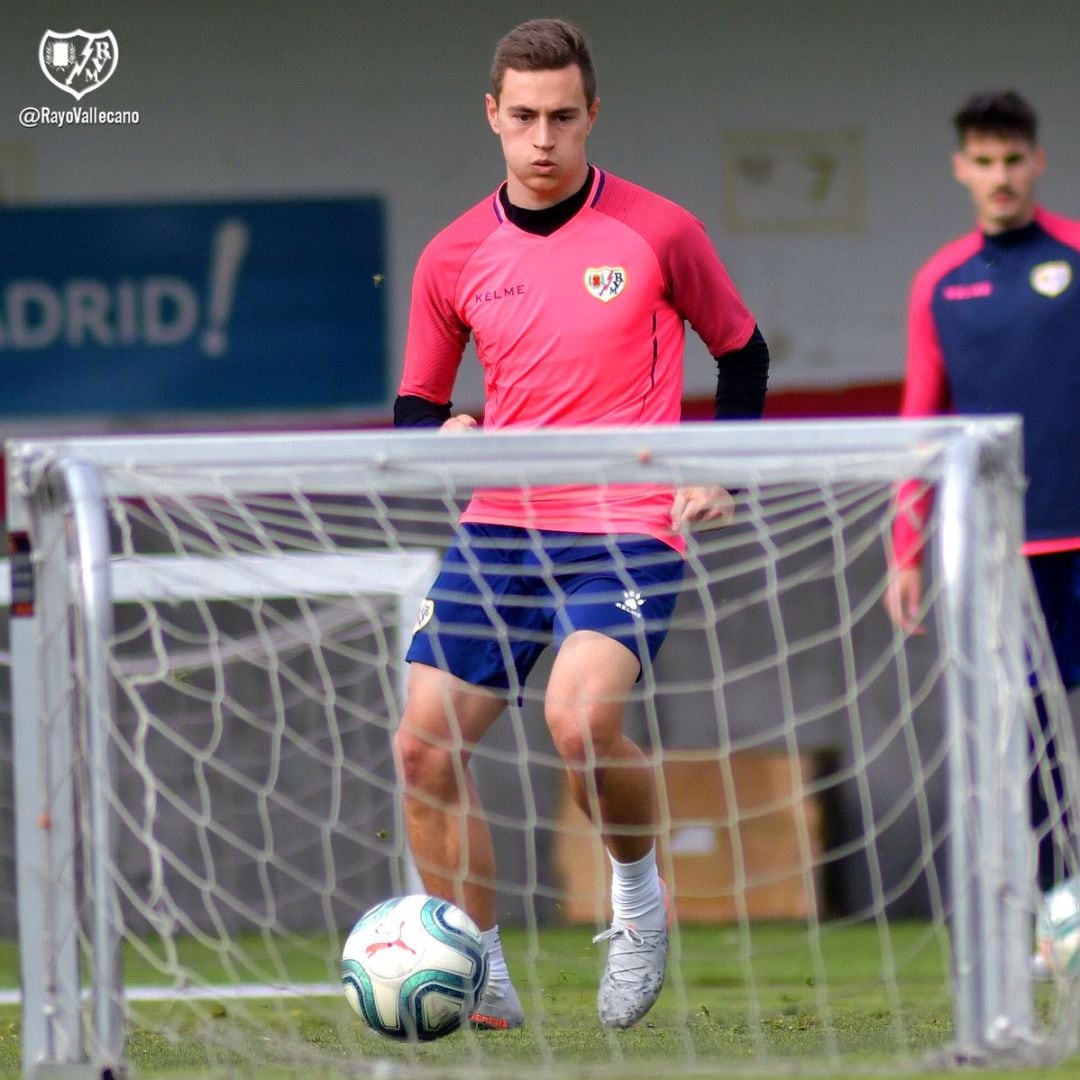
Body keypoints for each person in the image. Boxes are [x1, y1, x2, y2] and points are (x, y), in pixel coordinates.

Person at [392, 18, 769, 1030]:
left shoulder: (661, 230)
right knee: (422, 750)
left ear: (592, 113)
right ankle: (477, 967)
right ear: (493, 117)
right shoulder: (453, 253)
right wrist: (454, 425)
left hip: (627, 522)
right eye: (524, 118)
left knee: (579, 719)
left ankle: (638, 904)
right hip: (502, 525)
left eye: (563, 116)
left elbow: (742, 350)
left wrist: (717, 470)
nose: (544, 138)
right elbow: (418, 406)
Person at [885, 90, 1080, 891]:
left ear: (1036, 160)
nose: (1000, 177)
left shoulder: (1075, 255)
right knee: (1030, 730)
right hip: (1006, 546)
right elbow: (918, 421)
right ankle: (1053, 907)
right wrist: (905, 551)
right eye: (985, 162)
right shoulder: (940, 281)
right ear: (962, 168)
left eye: (1013, 161)